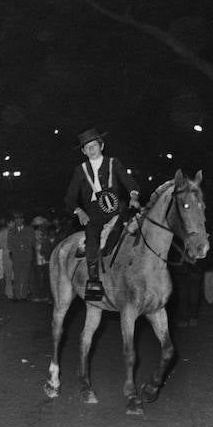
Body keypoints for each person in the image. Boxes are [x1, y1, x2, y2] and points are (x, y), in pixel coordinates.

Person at [64, 128, 140, 301]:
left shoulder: (114, 163)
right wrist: (79, 210)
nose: (91, 150)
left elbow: (129, 182)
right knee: (92, 242)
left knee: (136, 233)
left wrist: (133, 196)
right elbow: (69, 198)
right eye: (87, 148)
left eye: (94, 146)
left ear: (102, 146)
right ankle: (94, 284)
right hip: (94, 214)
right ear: (83, 151)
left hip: (116, 210)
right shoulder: (80, 170)